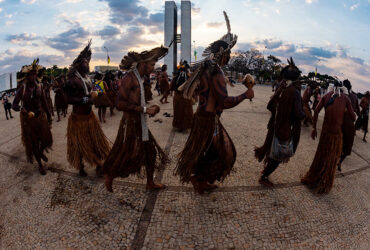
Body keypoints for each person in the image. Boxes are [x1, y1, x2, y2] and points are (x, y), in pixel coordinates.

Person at [175, 11, 254, 194]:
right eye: (229, 54)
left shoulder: (204, 69)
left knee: (207, 153)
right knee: (227, 154)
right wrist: (244, 95)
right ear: (223, 54)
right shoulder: (216, 72)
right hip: (209, 120)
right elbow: (225, 102)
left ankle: (199, 179)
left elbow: (196, 91)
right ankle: (199, 179)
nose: (230, 57)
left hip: (201, 117)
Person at [103, 46, 169, 192]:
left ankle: (150, 182)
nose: (153, 68)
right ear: (143, 63)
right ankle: (110, 175)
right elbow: (119, 103)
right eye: (151, 65)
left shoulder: (140, 78)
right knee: (126, 154)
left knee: (150, 153)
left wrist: (151, 107)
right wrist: (145, 109)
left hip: (140, 122)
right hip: (131, 124)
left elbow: (138, 102)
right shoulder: (129, 78)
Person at [255, 58, 305, 187]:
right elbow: (299, 114)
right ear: (297, 78)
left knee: (272, 151)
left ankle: (265, 171)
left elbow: (269, 106)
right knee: (277, 156)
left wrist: (277, 114)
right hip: (283, 130)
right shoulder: (295, 92)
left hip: (274, 127)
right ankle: (264, 176)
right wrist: (304, 113)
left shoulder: (281, 87)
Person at [64, 40, 110, 177]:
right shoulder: (72, 80)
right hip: (78, 120)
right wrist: (84, 100)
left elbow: (93, 90)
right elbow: (67, 99)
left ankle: (98, 164)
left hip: (90, 117)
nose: (88, 64)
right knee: (79, 145)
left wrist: (98, 92)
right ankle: (81, 166)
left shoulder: (87, 78)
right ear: (78, 64)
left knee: (96, 142)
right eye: (85, 62)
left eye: (88, 62)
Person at [301, 82, 356, 194]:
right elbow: (353, 117)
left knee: (321, 155)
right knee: (331, 159)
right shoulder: (345, 99)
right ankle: (324, 183)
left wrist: (314, 128)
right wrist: (345, 111)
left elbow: (316, 110)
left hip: (324, 133)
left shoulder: (326, 96)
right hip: (335, 135)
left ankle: (314, 177)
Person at [12, 59, 53, 175]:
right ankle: (40, 164)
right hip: (28, 120)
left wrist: (49, 115)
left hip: (40, 117)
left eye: (34, 74)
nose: (33, 76)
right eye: (31, 74)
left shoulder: (39, 87)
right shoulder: (22, 89)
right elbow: (14, 105)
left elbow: (44, 102)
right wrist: (22, 109)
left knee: (46, 140)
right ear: (26, 76)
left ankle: (40, 152)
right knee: (34, 142)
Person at [338, 79, 360, 171]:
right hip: (349, 124)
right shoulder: (354, 97)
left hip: (339, 122)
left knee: (336, 144)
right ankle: (339, 163)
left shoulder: (340, 96)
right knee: (347, 148)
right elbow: (357, 112)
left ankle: (333, 161)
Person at [171, 60, 193, 131]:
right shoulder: (188, 76)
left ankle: (179, 126)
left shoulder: (176, 76)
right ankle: (185, 126)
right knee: (186, 111)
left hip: (177, 97)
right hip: (186, 97)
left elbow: (172, 86)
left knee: (178, 111)